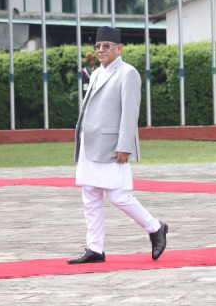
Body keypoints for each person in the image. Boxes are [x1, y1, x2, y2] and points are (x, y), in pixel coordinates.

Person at [68, 26, 167, 264]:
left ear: (119, 48)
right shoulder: (97, 72)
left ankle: (155, 228)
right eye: (98, 46)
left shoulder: (128, 73)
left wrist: (125, 146)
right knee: (89, 196)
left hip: (112, 146)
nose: (101, 50)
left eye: (106, 46)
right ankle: (95, 248)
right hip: (89, 143)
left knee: (118, 196)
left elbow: (129, 112)